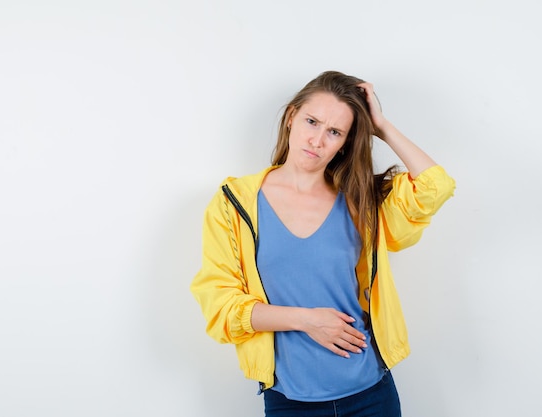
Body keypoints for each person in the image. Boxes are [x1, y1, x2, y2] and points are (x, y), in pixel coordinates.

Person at [191, 71, 456, 416]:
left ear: (346, 142)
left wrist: (382, 126)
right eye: (312, 122)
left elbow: (436, 187)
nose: (317, 140)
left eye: (334, 132)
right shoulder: (235, 204)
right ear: (291, 118)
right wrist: (306, 320)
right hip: (291, 402)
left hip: (372, 394)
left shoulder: (361, 201)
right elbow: (221, 308)